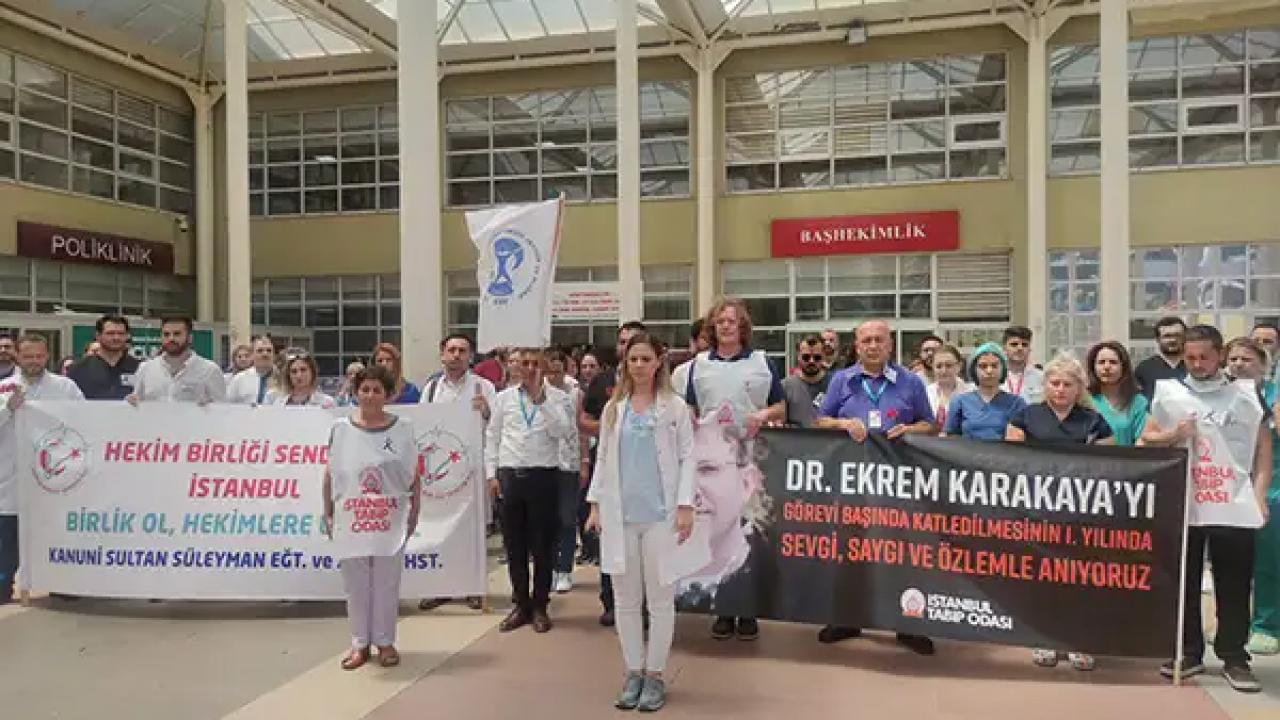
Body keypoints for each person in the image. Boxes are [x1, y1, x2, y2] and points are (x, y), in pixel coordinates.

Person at [1143, 326, 1270, 692]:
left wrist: (1259, 495)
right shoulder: (1170, 392)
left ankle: (1234, 656)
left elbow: (1262, 450)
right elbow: (1147, 437)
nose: (1197, 364)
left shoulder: (1245, 394)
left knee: (1233, 580)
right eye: (1190, 357)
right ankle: (1188, 651)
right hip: (1186, 499)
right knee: (1185, 578)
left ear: (1220, 355)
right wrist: (1173, 435)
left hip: (1232, 500)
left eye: (1204, 357)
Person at [585, 332, 695, 712]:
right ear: (625, 364)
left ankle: (655, 675)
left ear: (658, 362)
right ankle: (634, 671)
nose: (639, 366)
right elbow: (602, 459)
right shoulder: (614, 408)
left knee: (660, 600)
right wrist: (595, 504)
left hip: (661, 517)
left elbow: (688, 457)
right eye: (633, 359)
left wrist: (685, 505)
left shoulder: (675, 408)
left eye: (646, 359)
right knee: (626, 600)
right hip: (621, 517)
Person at [814, 319, 936, 654]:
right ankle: (847, 619)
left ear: (890, 345)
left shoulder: (910, 381)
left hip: (898, 485)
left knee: (901, 552)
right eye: (866, 340)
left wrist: (910, 430)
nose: (872, 346)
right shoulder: (841, 380)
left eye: (879, 340)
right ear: (856, 346)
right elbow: (820, 421)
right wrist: (842, 423)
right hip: (852, 482)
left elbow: (930, 424)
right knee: (851, 550)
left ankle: (908, 624)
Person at [1005, 353, 1112, 671]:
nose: (1061, 389)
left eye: (1067, 384)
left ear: (1079, 387)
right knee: (1042, 577)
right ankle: (1044, 638)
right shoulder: (1026, 416)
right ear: (1045, 385)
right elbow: (1009, 459)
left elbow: (1113, 462)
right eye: (1055, 383)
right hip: (1038, 510)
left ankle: (1079, 639)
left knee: (1080, 578)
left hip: (1080, 511)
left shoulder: (1093, 420)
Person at [685, 298, 784, 642]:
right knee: (718, 531)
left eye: (732, 321)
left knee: (750, 533)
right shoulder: (699, 365)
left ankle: (748, 609)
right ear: (712, 328)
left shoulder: (762, 362)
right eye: (720, 321)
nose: (726, 326)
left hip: (751, 459)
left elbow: (781, 406)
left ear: (743, 326)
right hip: (713, 462)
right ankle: (724, 609)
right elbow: (690, 408)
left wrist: (765, 414)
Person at [322, 364, 421, 670]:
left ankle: (385, 641)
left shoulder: (403, 429)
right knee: (355, 583)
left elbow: (414, 474)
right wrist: (327, 509)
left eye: (377, 390)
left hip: (390, 517)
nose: (370, 395)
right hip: (351, 516)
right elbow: (330, 472)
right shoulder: (340, 429)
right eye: (365, 389)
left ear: (388, 394)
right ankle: (359, 643)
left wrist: (415, 510)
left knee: (387, 582)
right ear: (356, 393)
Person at [487, 347, 573, 633]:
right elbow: (493, 436)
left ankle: (540, 606)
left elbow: (563, 431)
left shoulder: (558, 397)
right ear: (516, 367)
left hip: (543, 476)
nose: (530, 368)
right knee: (515, 546)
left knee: (543, 546)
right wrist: (491, 474)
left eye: (536, 363)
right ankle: (521, 604)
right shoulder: (503, 398)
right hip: (510, 475)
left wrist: (541, 400)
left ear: (544, 367)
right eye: (524, 363)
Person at [0, 333, 86, 603]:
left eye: (39, 356)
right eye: (28, 356)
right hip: (11, 476)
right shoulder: (3, 388)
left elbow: (87, 420)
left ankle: (60, 581)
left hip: (55, 474)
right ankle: (3, 583)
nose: (34, 361)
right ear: (17, 356)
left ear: (47, 356)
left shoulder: (65, 387)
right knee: (7, 538)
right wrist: (7, 409)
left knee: (55, 531)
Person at [416, 334, 497, 613]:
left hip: (473, 467)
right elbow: (422, 425)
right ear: (442, 354)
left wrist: (486, 411)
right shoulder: (431, 389)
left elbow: (497, 426)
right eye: (451, 350)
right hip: (441, 470)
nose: (456, 355)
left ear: (471, 356)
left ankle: (473, 587)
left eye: (462, 350)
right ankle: (441, 587)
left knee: (473, 531)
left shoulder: (484, 386)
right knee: (441, 529)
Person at [581, 321, 648, 626]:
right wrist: (613, 429)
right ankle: (611, 602)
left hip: (645, 476)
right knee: (611, 540)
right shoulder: (603, 381)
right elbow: (584, 420)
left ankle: (644, 604)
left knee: (642, 545)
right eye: (622, 342)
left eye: (633, 341)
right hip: (609, 468)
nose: (627, 347)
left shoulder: (655, 384)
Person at [1219, 337, 1280, 658]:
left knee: (1268, 559)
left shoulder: (1274, 395)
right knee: (1231, 563)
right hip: (1226, 487)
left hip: (1271, 486)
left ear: (1263, 364)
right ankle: (1232, 624)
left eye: (1246, 359)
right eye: (1233, 359)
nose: (1239, 365)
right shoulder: (1221, 395)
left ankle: (1266, 625)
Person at [545, 349, 582, 594]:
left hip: (569, 463)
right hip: (544, 462)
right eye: (550, 371)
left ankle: (565, 569)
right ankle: (549, 568)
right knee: (547, 520)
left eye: (558, 370)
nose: (554, 375)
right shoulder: (537, 391)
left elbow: (580, 428)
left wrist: (584, 461)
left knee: (567, 518)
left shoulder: (574, 391)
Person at [128, 317, 225, 405]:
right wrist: (131, 402)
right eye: (166, 334)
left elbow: (223, 409)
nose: (171, 338)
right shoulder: (146, 369)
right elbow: (136, 402)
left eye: (177, 334)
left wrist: (210, 407)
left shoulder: (210, 370)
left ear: (190, 338)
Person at [942, 343, 1025, 440]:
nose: (989, 371)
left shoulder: (1016, 403)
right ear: (974, 370)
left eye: (994, 366)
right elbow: (950, 437)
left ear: (1003, 369)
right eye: (983, 366)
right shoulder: (960, 402)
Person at [1086, 341, 1149, 447]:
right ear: (1093, 367)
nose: (1107, 367)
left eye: (1113, 362)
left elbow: (1141, 441)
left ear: (1123, 367)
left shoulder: (1138, 402)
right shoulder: (1084, 399)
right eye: (1101, 362)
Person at [68, 315, 141, 400]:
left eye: (121, 333)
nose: (116, 338)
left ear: (127, 336)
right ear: (98, 336)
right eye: (110, 333)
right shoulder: (78, 368)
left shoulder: (139, 368)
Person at [781, 335, 830, 428]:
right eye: (806, 357)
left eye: (817, 357)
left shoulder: (835, 385)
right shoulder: (785, 387)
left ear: (824, 357)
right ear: (798, 356)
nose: (811, 361)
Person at [1135, 317, 1187, 400]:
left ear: (1185, 337)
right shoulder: (1144, 369)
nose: (1173, 340)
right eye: (1167, 336)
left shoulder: (1195, 365)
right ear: (1158, 339)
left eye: (1177, 335)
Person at [266, 351, 335, 408]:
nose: (299, 375)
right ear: (289, 376)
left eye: (303, 370)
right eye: (294, 371)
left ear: (312, 372)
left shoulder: (326, 402)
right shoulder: (277, 402)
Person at [925, 344, 970, 431]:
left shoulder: (971, 392)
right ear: (933, 367)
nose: (944, 371)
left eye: (948, 365)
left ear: (959, 366)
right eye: (939, 366)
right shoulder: (925, 393)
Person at [226, 336, 277, 405]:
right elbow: (227, 405)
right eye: (260, 351)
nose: (265, 354)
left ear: (273, 355)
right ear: (252, 355)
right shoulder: (239, 379)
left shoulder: (283, 379)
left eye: (269, 351)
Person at [1000, 326, 1043, 403]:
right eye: (1014, 344)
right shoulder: (995, 376)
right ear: (1004, 348)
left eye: (1024, 344)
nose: (1020, 348)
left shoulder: (1041, 377)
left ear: (1029, 349)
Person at [669, 319, 706, 396]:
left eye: (713, 338)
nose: (709, 342)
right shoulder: (681, 372)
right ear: (693, 341)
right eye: (704, 338)